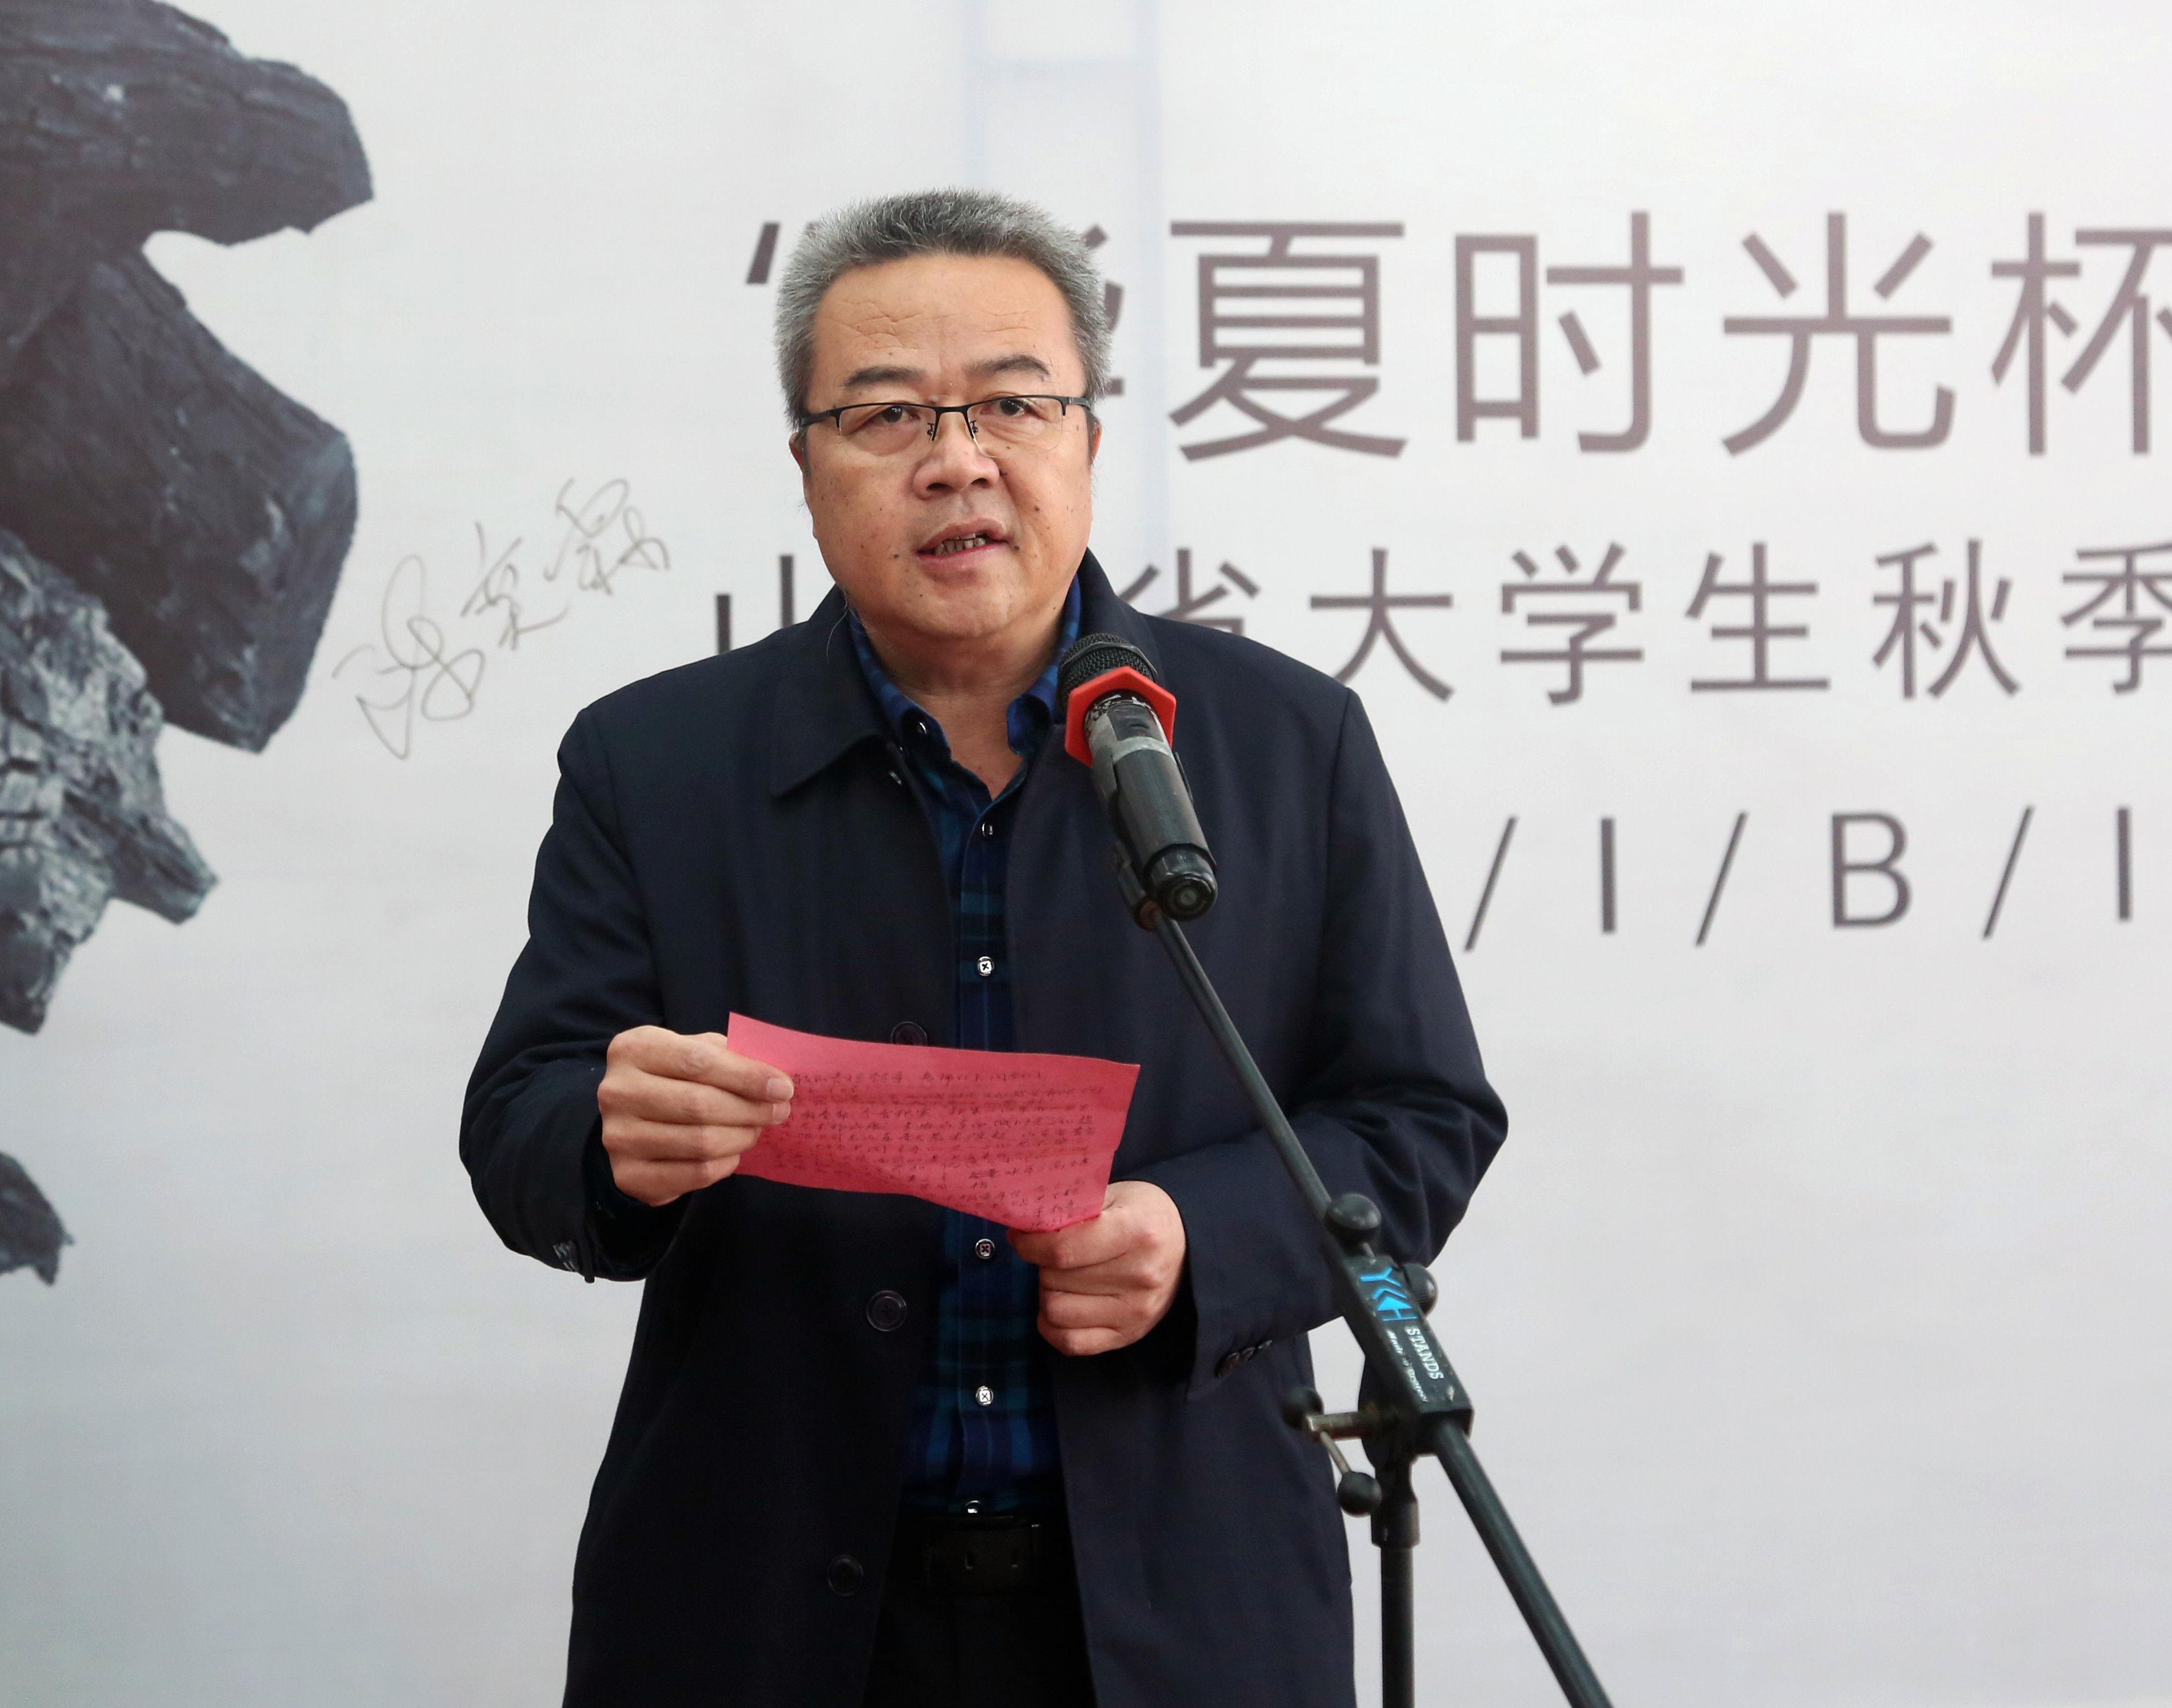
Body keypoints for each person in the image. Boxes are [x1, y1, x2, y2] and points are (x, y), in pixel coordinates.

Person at [462, 188, 1506, 1708]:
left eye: (1013, 403)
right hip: (766, 1616)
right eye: (886, 414)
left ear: (1087, 439)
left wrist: (1200, 1239)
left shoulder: (1286, 740)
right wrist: (613, 1135)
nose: (957, 459)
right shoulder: (653, 761)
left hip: (1174, 1622)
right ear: (806, 465)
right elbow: (521, 1120)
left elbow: (1420, 1116)